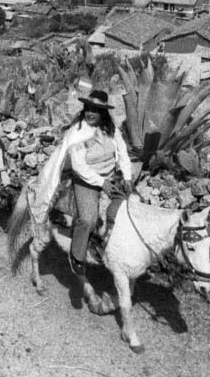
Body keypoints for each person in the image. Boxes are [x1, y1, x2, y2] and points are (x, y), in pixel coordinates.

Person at [63, 89, 133, 277]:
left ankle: (104, 243)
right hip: (87, 180)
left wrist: (126, 177)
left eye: (96, 110)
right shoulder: (77, 132)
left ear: (103, 113)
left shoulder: (111, 130)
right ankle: (76, 255)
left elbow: (123, 153)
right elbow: (78, 166)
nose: (90, 113)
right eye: (88, 109)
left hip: (110, 176)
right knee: (88, 219)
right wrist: (101, 182)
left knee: (126, 207)